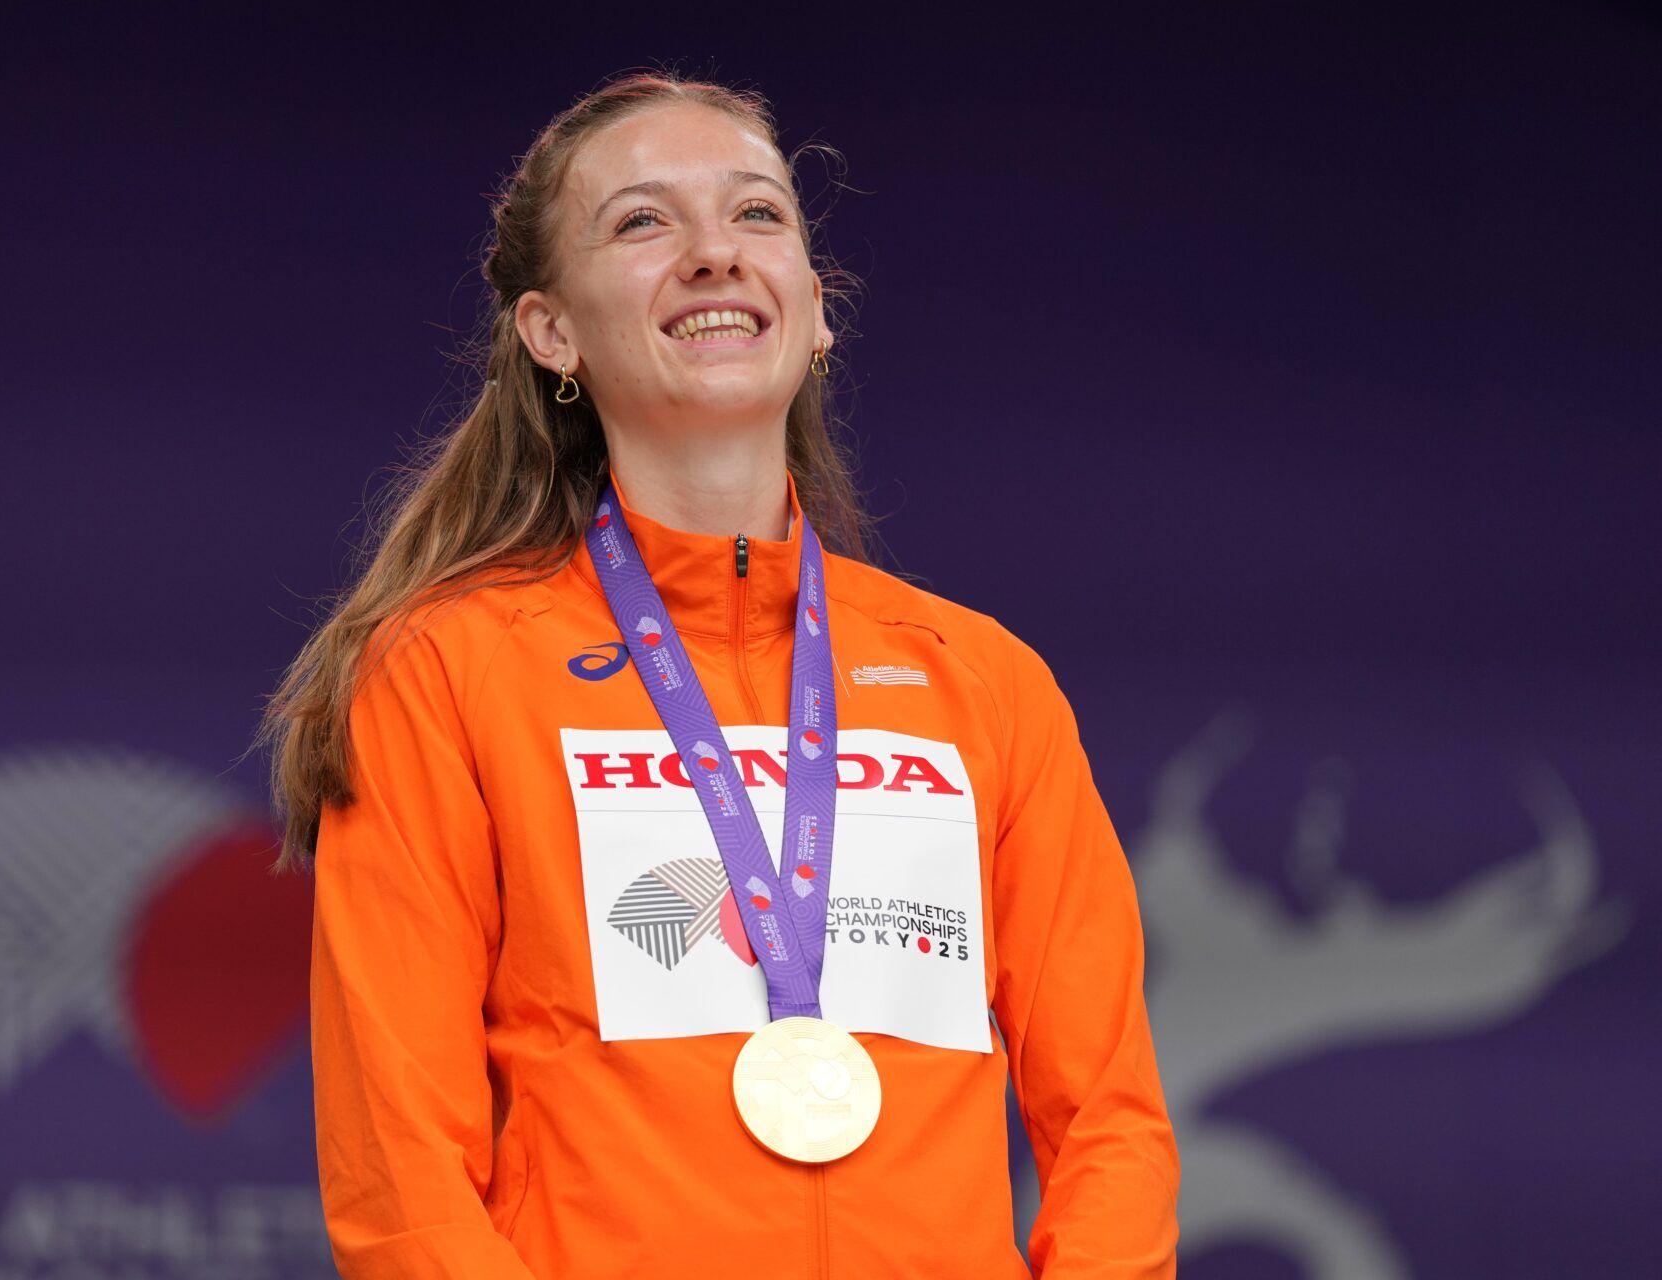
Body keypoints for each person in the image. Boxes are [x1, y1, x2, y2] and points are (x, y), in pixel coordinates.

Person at [256, 70, 1179, 1279]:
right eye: (643, 222)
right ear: (553, 333)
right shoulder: (447, 673)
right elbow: (402, 1172)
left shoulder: (983, 681)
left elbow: (1109, 1122)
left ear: (817, 303)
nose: (714, 255)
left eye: (758, 215)